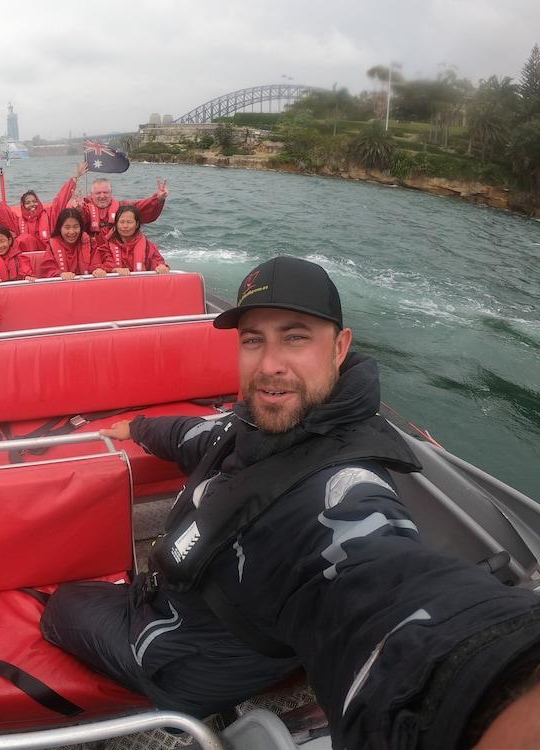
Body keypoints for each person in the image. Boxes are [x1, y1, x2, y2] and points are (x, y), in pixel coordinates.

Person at [41, 256, 540, 749]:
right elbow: (198, 436)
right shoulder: (256, 426)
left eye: (295, 336)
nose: (270, 364)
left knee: (60, 605)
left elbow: (382, 585)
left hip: (183, 657)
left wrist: (494, 687)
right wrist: (139, 428)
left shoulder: (341, 490)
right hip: (197, 606)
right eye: (253, 339)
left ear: (340, 348)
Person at [0, 164, 84, 253]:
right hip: (26, 260)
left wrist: (75, 177)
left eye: (34, 201)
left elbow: (61, 198)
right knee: (24, 238)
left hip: (49, 255)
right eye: (28, 203)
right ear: (23, 206)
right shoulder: (17, 222)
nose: (32, 205)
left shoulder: (50, 214)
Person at [74, 161, 169, 241]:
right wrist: (77, 210)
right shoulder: (84, 207)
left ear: (111, 193)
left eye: (105, 192)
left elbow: (142, 206)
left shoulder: (122, 206)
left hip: (115, 247)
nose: (102, 196)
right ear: (91, 194)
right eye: (98, 193)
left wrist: (157, 198)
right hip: (92, 248)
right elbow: (73, 220)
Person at [37, 207, 107, 280]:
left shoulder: (90, 242)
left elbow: (96, 263)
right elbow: (48, 270)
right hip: (62, 287)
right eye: (67, 228)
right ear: (60, 228)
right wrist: (60, 274)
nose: (72, 232)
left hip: (85, 286)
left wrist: (97, 270)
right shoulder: (52, 246)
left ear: (81, 227)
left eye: (76, 227)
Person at [105, 206, 169, 275]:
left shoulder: (147, 245)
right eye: (121, 222)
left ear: (137, 224)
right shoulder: (106, 244)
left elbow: (157, 261)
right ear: (116, 224)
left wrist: (161, 266)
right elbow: (100, 264)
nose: (125, 226)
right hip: (114, 283)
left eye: (129, 222)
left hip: (139, 283)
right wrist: (114, 269)